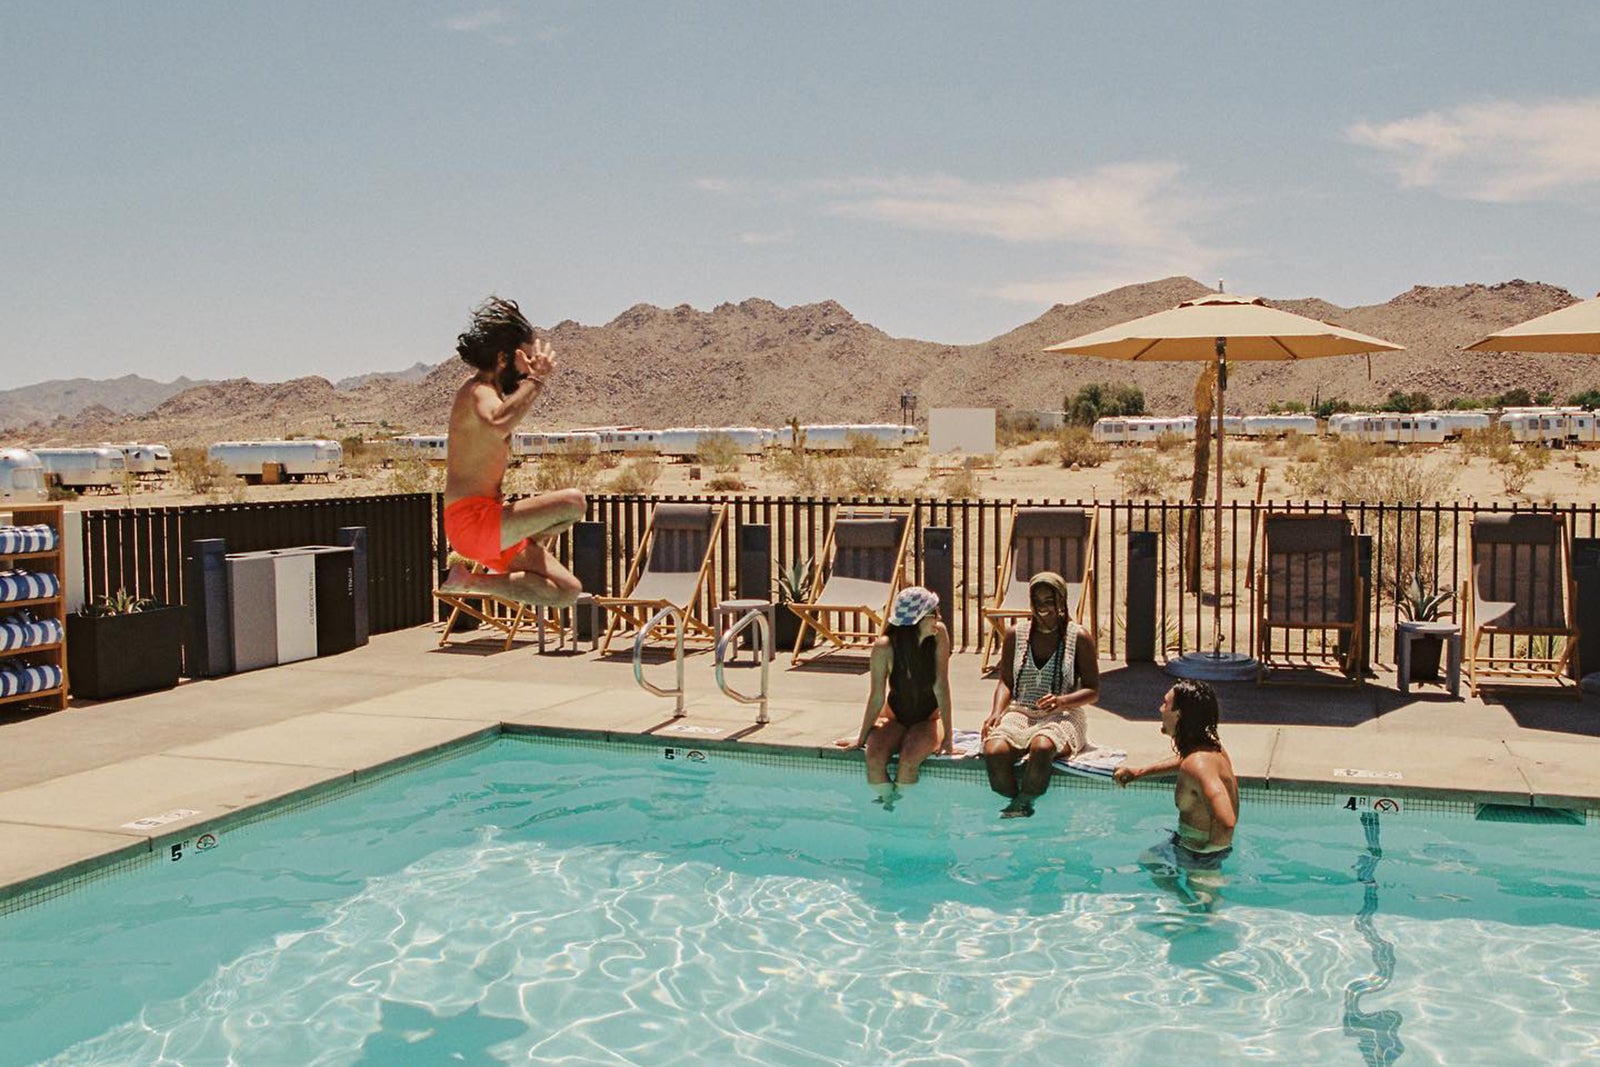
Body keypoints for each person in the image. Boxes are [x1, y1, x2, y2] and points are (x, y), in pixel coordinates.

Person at [438, 296, 585, 609]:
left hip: (489, 524)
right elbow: (499, 422)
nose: (529, 368)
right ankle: (526, 536)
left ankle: (469, 582)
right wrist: (538, 379)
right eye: (526, 359)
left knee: (566, 590)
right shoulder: (476, 390)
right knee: (574, 502)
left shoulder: (491, 392)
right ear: (504, 358)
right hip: (472, 521)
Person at [981, 571, 1099, 818]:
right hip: (1020, 711)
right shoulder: (1015, 634)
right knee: (993, 751)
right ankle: (1018, 804)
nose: (1043, 607)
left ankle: (1022, 804)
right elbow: (1006, 681)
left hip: (1063, 714)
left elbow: (1092, 691)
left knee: (1042, 747)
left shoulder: (1079, 637)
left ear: (1062, 601)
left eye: (1049, 600)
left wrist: (1061, 701)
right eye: (1037, 601)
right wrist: (996, 712)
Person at [1113, 679, 1239, 866]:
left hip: (1201, 853)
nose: (1160, 709)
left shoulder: (1197, 765)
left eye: (1165, 703)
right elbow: (1186, 760)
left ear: (1178, 715)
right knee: (1149, 861)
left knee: (1200, 895)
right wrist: (1140, 772)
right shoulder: (1209, 749)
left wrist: (1205, 861)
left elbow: (1226, 821)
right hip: (1190, 845)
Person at [849, 586, 953, 808]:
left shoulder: (939, 635)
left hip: (929, 719)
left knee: (908, 762)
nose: (939, 618)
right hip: (895, 717)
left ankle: (904, 807)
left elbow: (941, 687)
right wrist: (861, 738)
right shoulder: (884, 647)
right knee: (874, 759)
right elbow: (876, 697)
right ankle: (889, 804)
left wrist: (948, 739)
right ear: (915, 621)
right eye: (933, 613)